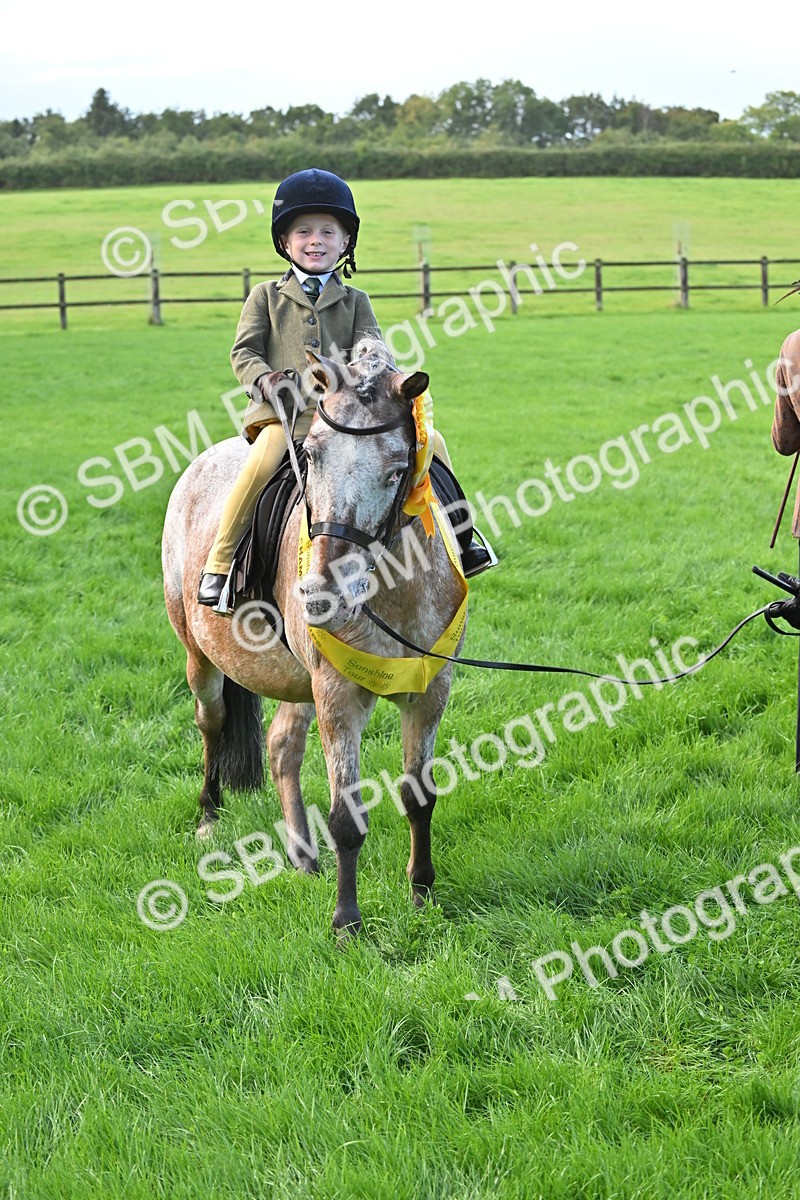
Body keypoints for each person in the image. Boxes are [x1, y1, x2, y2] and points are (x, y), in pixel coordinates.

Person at [197, 167, 496, 613]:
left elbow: (374, 348)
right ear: (285, 242)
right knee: (259, 467)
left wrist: (378, 368)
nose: (315, 240)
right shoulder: (264, 296)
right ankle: (219, 567)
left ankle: (463, 537)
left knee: (434, 442)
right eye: (303, 231)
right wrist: (266, 380)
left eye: (327, 232)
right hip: (289, 418)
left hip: (350, 421)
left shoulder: (356, 300)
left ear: (345, 243)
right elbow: (243, 352)